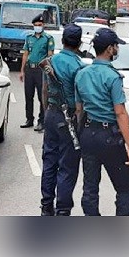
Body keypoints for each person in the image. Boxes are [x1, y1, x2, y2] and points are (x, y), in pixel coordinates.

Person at [75, 28, 129, 215]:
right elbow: (120, 113)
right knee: (125, 188)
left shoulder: (81, 74)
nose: (118, 49)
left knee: (90, 187)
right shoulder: (113, 77)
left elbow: (79, 109)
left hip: (88, 134)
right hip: (109, 137)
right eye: (116, 46)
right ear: (110, 49)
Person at [40, 24, 85, 216]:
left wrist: (47, 112)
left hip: (51, 114)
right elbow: (81, 102)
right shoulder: (79, 67)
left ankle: (46, 207)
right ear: (80, 43)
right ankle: (63, 211)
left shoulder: (50, 61)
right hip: (70, 119)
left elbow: (44, 90)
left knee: (49, 162)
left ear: (63, 41)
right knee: (67, 166)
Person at [20, 14, 55, 131]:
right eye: (35, 26)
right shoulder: (29, 37)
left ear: (43, 25)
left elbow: (50, 56)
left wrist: (49, 72)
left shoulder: (48, 38)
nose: (37, 27)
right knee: (28, 95)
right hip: (30, 69)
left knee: (42, 96)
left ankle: (42, 121)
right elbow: (25, 54)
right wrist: (22, 70)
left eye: (39, 25)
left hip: (41, 71)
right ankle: (29, 119)